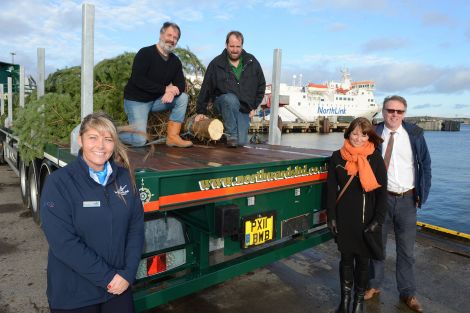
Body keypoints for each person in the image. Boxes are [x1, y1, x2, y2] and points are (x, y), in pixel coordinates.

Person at [40, 112, 145, 313]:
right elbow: (63, 242)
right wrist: (108, 278)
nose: (101, 146)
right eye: (93, 138)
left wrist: (128, 274)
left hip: (118, 289)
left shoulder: (124, 178)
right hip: (74, 294)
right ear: (80, 140)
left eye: (108, 139)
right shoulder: (60, 182)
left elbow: (136, 229)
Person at [365, 95, 431, 313]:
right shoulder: (373, 134)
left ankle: (408, 293)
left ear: (404, 113)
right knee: (377, 246)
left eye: (399, 111)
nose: (394, 114)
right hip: (381, 199)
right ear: (383, 112)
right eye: (390, 110)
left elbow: (426, 166)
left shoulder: (415, 134)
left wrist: (423, 193)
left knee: (406, 251)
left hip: (407, 199)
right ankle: (374, 284)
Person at [327, 117, 388, 313]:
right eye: (354, 133)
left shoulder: (375, 158)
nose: (358, 138)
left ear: (369, 135)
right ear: (348, 134)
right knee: (345, 260)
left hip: (366, 220)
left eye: (363, 134)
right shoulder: (337, 157)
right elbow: (330, 191)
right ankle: (345, 301)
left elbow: (382, 193)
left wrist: (378, 220)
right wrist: (332, 217)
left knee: (363, 262)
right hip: (345, 219)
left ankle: (358, 301)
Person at [120, 21, 192, 148]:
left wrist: (172, 90)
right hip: (137, 101)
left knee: (182, 97)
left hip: (156, 101)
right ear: (161, 34)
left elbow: (181, 83)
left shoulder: (175, 61)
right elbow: (138, 80)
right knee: (140, 141)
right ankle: (110, 132)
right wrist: (165, 89)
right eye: (169, 35)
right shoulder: (145, 53)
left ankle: (172, 137)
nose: (172, 40)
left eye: (175, 38)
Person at [195, 30, 266, 147]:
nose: (235, 50)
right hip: (223, 103)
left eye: (238, 46)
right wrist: (200, 111)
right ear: (226, 45)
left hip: (243, 108)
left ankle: (227, 137)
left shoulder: (252, 61)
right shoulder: (216, 63)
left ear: (242, 46)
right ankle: (231, 134)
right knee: (230, 99)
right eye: (231, 46)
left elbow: (261, 84)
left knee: (241, 142)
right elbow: (206, 87)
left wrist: (254, 106)